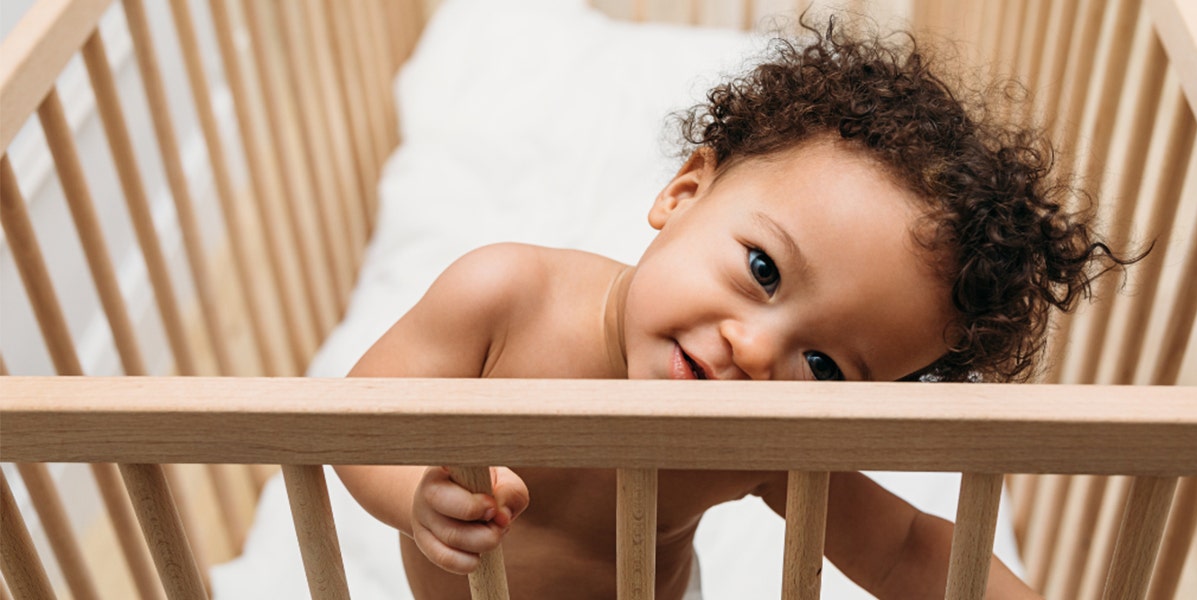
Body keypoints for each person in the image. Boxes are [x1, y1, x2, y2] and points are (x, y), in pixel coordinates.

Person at [337, 16, 1126, 600]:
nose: (755, 350)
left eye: (823, 366)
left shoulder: (763, 435)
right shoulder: (506, 296)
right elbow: (354, 421)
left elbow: (905, 548)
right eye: (763, 269)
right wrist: (414, 493)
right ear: (683, 192)